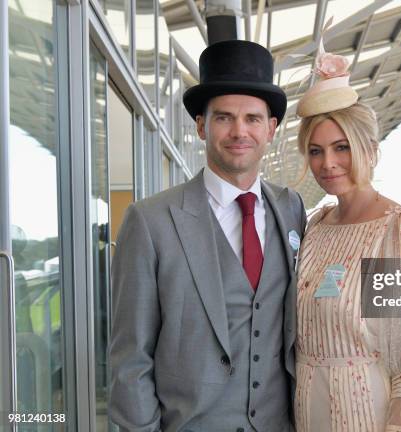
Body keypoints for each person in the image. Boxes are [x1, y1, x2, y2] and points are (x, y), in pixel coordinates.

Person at [110, 40, 306, 432]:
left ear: (270, 129)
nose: (239, 131)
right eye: (224, 118)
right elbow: (130, 360)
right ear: (201, 125)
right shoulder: (149, 221)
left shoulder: (291, 209)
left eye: (252, 118)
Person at [292, 47, 401, 431]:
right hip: (304, 406)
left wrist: (399, 427)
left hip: (364, 411)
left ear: (371, 150)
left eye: (341, 147)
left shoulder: (400, 228)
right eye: (316, 151)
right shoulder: (316, 224)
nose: (327, 163)